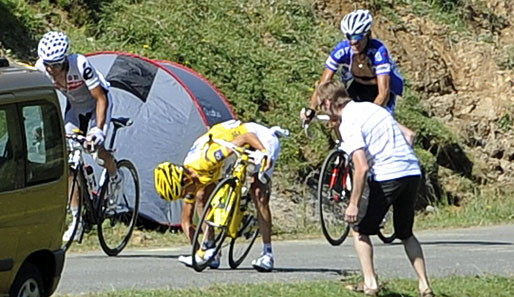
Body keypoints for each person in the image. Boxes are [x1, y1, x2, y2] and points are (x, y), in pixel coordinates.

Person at [317, 80, 434, 297]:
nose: (325, 114)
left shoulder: (349, 123)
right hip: (411, 171)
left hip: (387, 175)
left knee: (359, 229)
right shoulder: (372, 108)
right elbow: (409, 135)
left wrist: (353, 204)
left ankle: (370, 283)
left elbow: (361, 167)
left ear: (329, 102)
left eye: (323, 108)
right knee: (406, 233)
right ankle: (424, 285)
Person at [154, 120, 288, 272]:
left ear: (185, 180)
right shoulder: (188, 178)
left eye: (184, 192)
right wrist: (200, 252)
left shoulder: (207, 160)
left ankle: (267, 254)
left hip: (258, 137)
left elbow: (246, 137)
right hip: (230, 146)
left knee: (258, 193)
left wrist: (263, 152)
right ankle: (211, 248)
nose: (185, 195)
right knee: (201, 197)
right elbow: (186, 222)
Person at [35, 31, 121, 241]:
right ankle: (77, 220)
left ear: (64, 60)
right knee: (69, 162)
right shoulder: (41, 69)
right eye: (47, 64)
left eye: (55, 65)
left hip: (96, 107)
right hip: (74, 108)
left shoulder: (80, 64)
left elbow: (101, 99)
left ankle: (115, 176)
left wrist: (98, 130)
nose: (50, 69)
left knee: (96, 151)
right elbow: (44, 102)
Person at [302, 9, 415, 145]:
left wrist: (368, 117)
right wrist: (312, 109)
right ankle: (344, 148)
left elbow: (383, 93)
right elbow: (323, 84)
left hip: (378, 90)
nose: (353, 45)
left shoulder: (378, 51)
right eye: (350, 40)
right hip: (358, 87)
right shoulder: (342, 49)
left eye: (358, 41)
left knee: (376, 125)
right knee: (337, 114)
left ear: (367, 35)